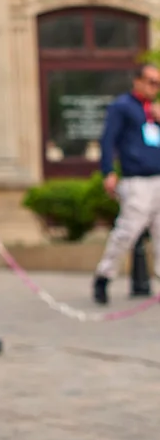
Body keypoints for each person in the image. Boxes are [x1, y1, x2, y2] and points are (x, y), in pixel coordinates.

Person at [93, 62, 160, 304]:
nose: (155, 88)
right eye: (152, 82)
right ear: (138, 81)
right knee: (127, 232)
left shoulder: (152, 110)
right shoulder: (122, 107)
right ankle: (104, 276)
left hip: (158, 178)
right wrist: (108, 171)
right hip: (136, 180)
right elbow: (108, 140)